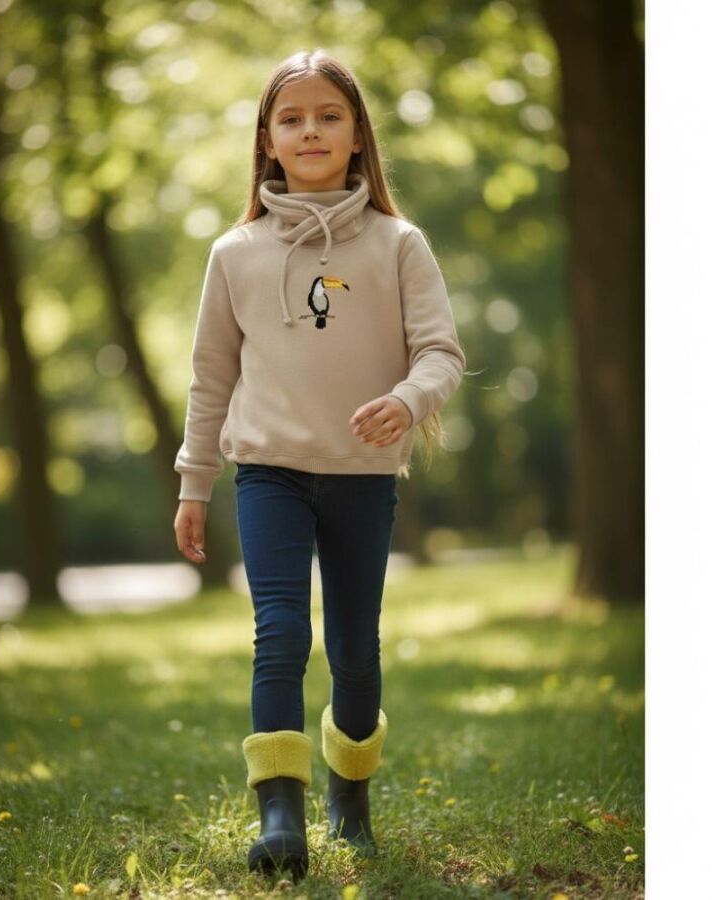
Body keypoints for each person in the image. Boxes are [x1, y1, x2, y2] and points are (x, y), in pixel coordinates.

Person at [173, 49, 466, 881]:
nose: (310, 130)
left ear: (358, 135)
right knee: (279, 631)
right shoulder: (234, 253)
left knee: (355, 649)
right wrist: (195, 482)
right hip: (268, 470)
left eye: (329, 116)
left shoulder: (398, 243)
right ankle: (280, 818)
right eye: (292, 118)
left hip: (361, 474)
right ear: (266, 140)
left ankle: (351, 799)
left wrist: (407, 399)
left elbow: (442, 353)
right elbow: (210, 377)